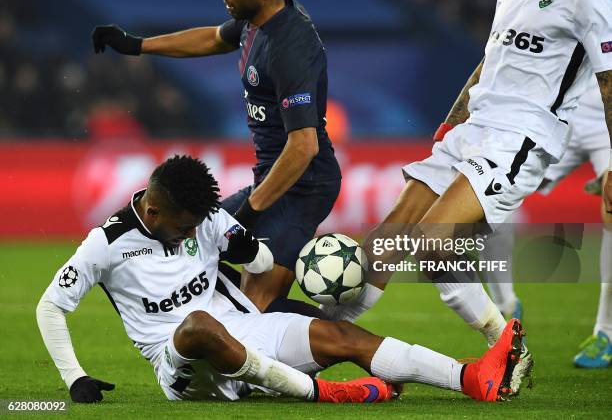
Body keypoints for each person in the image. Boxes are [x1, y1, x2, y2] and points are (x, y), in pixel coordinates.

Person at [321, 0, 612, 394]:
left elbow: (609, 82)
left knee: (434, 243)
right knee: (386, 242)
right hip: (472, 131)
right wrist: (450, 123)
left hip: (519, 138)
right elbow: (487, 63)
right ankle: (319, 336)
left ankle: (505, 342)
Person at [36, 155, 523, 404]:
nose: (191, 233)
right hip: (182, 364)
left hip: (243, 328)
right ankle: (323, 394)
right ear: (153, 209)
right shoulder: (106, 242)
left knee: (343, 335)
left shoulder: (203, 217)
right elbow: (51, 306)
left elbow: (263, 263)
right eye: (183, 226)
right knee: (199, 323)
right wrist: (74, 378)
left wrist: (258, 251)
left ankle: (470, 378)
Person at [91, 0, 342, 314]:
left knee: (256, 309)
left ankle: (349, 348)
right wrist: (136, 45)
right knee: (189, 248)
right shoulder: (255, 20)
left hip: (303, 188)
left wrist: (251, 212)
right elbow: (211, 37)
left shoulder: (290, 47)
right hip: (270, 180)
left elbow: (303, 146)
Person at [482, 0, 612, 369]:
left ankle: (605, 333)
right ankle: (506, 303)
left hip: (603, 123)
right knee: (488, 202)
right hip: (561, 117)